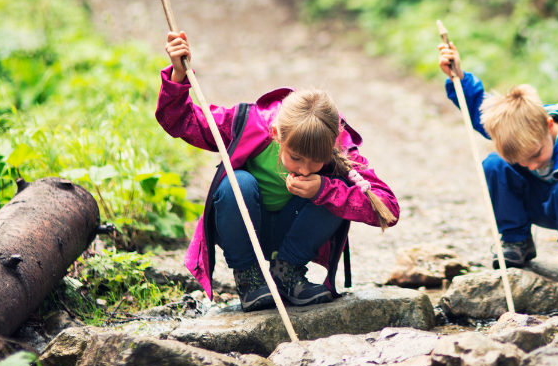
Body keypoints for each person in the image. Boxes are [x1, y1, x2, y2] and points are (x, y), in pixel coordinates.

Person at [156, 31, 399, 311]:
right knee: (238, 182)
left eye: (315, 161)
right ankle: (249, 278)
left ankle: (287, 273)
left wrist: (324, 189)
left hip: (293, 236)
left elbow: (388, 208)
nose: (305, 169)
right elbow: (181, 120)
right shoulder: (246, 124)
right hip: (245, 228)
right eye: (296, 157)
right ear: (276, 134)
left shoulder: (339, 148)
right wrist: (177, 72)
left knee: (335, 185)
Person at [438, 42, 558, 304]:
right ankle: (517, 241)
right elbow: (482, 112)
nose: (532, 166)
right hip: (539, 202)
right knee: (495, 164)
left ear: (550, 125)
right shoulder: (524, 130)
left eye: (536, 155)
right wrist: (459, 77)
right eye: (523, 161)